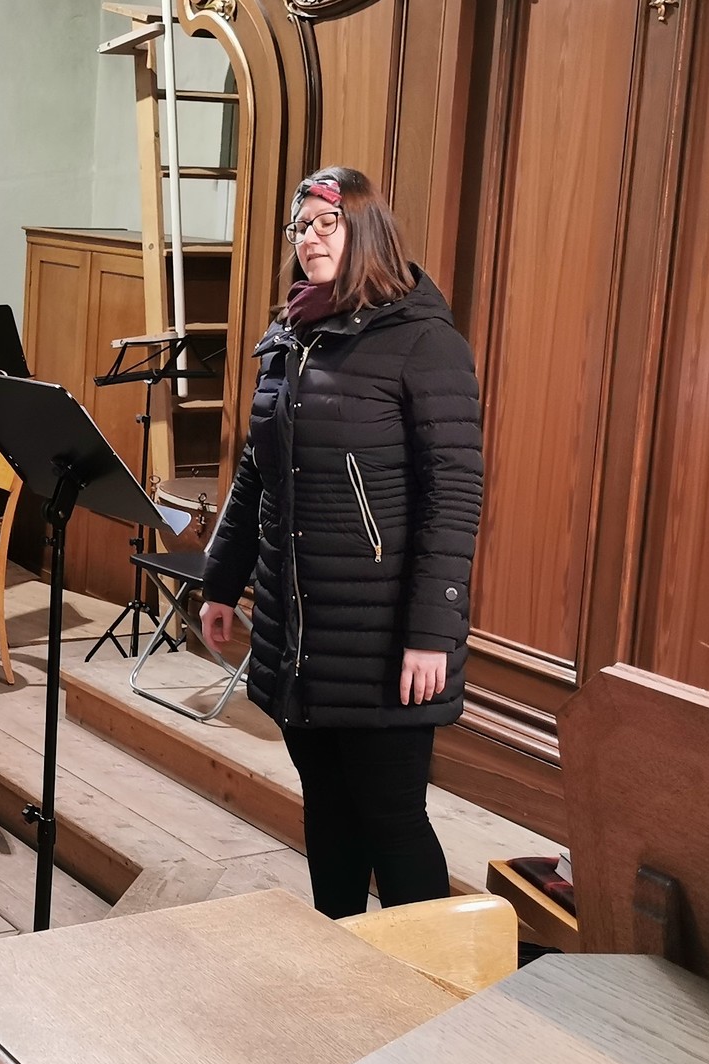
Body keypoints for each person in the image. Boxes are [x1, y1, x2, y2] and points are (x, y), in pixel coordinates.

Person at [200, 167, 483, 919]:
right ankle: (340, 953)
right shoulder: (290, 338)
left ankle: (431, 978)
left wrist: (431, 632)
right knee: (326, 808)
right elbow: (257, 472)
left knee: (392, 818)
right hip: (301, 628)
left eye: (327, 223)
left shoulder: (424, 342)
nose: (310, 239)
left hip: (384, 635)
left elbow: (454, 496)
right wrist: (221, 580)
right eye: (301, 228)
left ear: (367, 231)